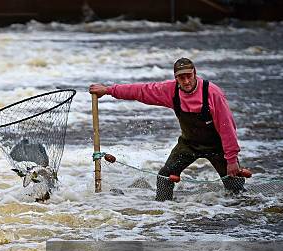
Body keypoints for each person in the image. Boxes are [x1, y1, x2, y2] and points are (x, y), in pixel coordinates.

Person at [89, 57, 244, 201]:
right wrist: (108, 90)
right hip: (189, 144)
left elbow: (227, 128)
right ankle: (164, 211)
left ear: (195, 73)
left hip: (217, 145)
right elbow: (140, 91)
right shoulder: (170, 90)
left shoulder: (212, 93)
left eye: (189, 76)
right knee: (164, 177)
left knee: (235, 187)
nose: (186, 81)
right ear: (176, 78)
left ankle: (241, 210)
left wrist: (231, 160)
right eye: (181, 78)